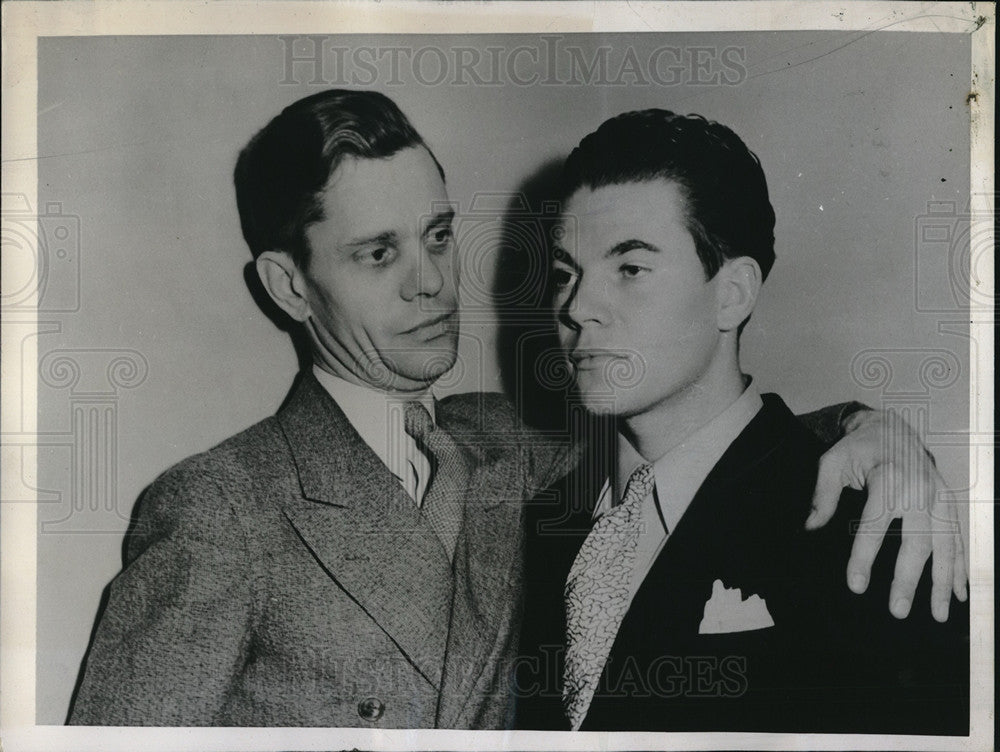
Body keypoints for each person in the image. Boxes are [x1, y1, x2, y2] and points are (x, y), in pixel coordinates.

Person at [69, 89, 964, 728]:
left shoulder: (507, 454)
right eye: (379, 253)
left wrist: (867, 430)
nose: (431, 283)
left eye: (440, 236)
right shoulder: (219, 509)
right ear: (289, 286)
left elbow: (708, 452)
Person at [515, 109, 969, 734]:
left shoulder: (868, 527)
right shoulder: (536, 525)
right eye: (567, 272)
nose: (578, 306)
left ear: (732, 294)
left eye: (630, 268)